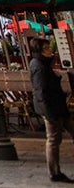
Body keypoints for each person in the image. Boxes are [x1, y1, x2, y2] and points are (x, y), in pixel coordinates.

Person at [31, 37, 72, 182]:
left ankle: (55, 171)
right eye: (47, 48)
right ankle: (54, 172)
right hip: (51, 109)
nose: (50, 50)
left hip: (58, 106)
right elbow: (40, 91)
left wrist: (56, 77)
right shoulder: (39, 66)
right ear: (40, 51)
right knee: (53, 139)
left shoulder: (44, 64)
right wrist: (48, 113)